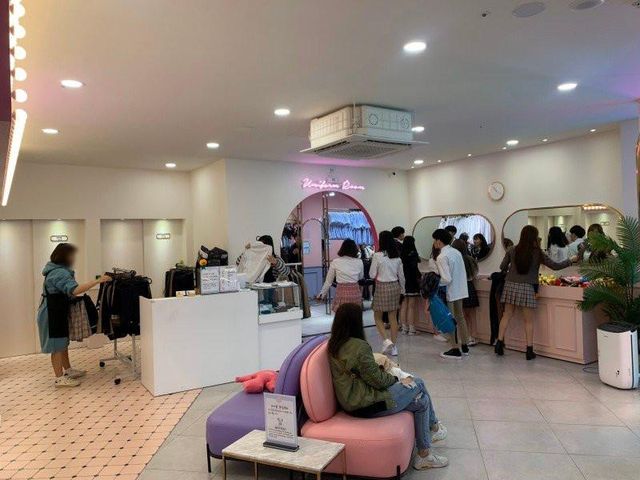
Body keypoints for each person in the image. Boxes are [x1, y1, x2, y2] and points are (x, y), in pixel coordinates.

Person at [327, 303, 449, 470]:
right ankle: (434, 427)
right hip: (367, 404)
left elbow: (364, 374)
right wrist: (396, 379)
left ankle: (424, 454)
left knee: (422, 402)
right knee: (418, 382)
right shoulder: (358, 347)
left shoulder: (334, 345)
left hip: (353, 402)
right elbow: (378, 380)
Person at [37, 243, 112, 388]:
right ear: (64, 256)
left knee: (62, 343)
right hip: (51, 314)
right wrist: (97, 280)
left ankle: (68, 370)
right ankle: (59, 379)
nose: (73, 258)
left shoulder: (58, 270)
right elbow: (75, 290)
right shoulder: (59, 273)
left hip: (56, 311)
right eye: (72, 255)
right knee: (57, 346)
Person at [495, 225, 573, 360]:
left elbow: (502, 267)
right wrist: (571, 261)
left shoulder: (512, 249)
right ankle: (529, 350)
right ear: (534, 237)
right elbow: (555, 266)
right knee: (528, 321)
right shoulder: (537, 252)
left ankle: (499, 343)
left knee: (506, 315)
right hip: (527, 287)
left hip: (510, 285)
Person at [432, 229, 469, 359]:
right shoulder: (456, 252)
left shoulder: (441, 257)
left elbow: (446, 279)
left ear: (439, 241)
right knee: (460, 317)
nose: (434, 242)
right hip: (461, 290)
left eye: (434, 239)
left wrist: (435, 282)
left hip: (450, 292)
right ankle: (465, 345)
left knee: (450, 320)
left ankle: (455, 349)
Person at [370, 230, 405, 356]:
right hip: (395, 286)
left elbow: (372, 274)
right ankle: (394, 347)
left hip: (381, 287)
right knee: (393, 318)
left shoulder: (377, 256)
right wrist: (403, 290)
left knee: (377, 316)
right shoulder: (397, 257)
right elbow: (402, 277)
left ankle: (386, 341)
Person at [318, 239, 364, 311]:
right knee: (355, 316)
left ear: (342, 248)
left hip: (342, 294)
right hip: (355, 293)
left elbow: (328, 281)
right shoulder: (359, 262)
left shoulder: (335, 262)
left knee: (341, 316)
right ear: (355, 249)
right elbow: (360, 277)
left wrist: (322, 295)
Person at [452, 239, 479, 346]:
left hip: (458, 287)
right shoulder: (470, 259)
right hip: (469, 286)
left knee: (460, 315)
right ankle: (471, 336)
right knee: (470, 315)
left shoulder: (454, 259)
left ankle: (462, 337)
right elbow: (475, 274)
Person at [400, 236, 421, 335]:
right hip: (412, 282)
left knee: (404, 306)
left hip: (403, 282)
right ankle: (412, 329)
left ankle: (404, 328)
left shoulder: (401, 254)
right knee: (411, 306)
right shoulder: (413, 254)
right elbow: (415, 269)